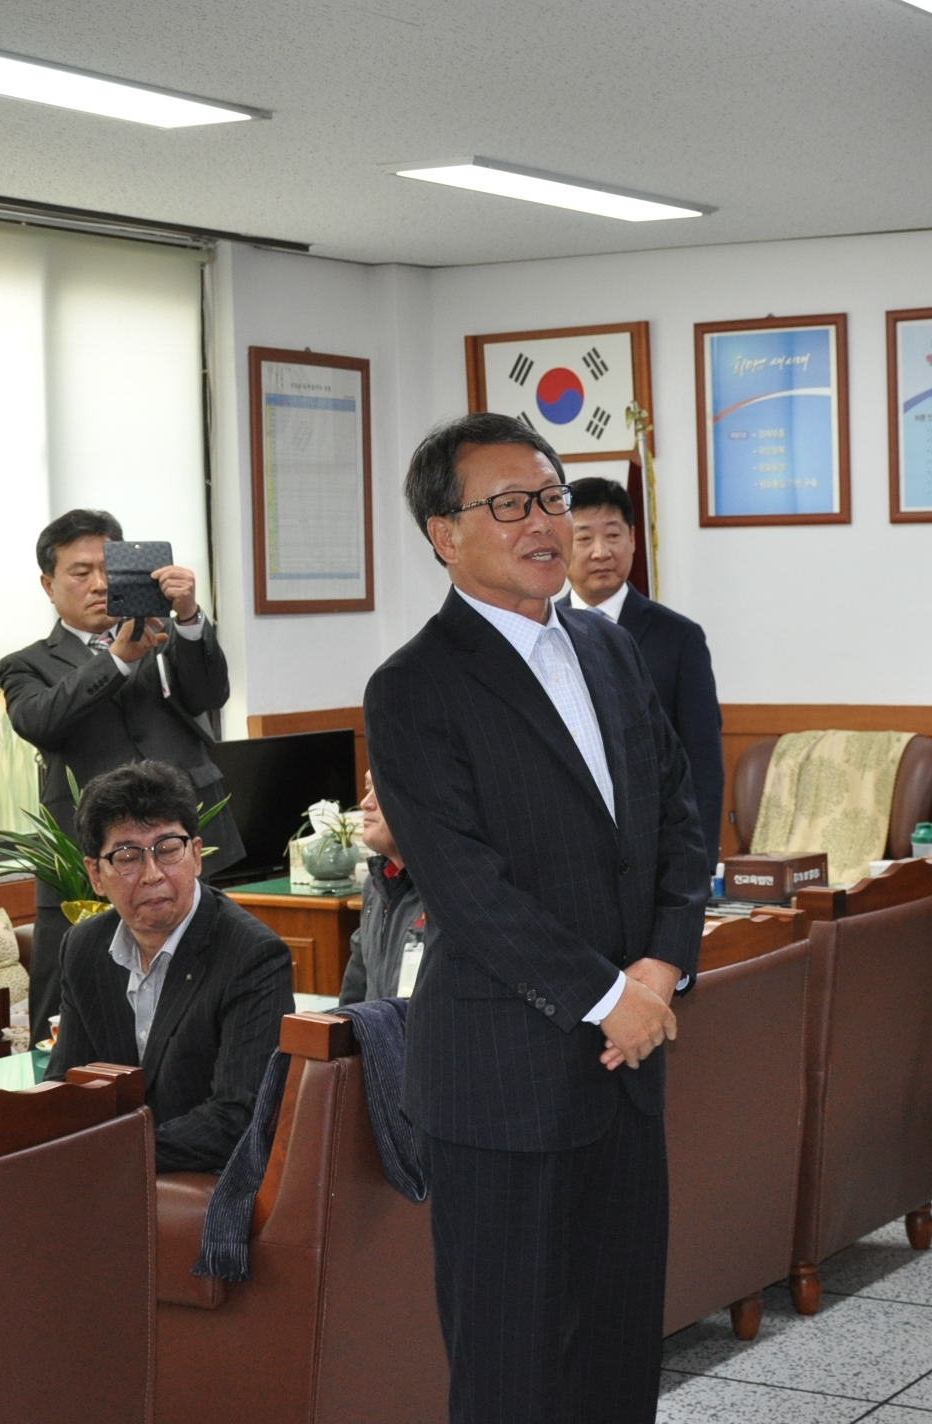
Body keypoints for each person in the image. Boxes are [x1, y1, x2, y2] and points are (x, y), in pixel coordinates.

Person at [366, 412, 707, 1424]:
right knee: (509, 1372)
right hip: (501, 1083)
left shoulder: (610, 647)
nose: (544, 522)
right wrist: (610, 997)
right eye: (509, 503)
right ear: (444, 533)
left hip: (628, 1067)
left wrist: (659, 968)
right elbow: (469, 889)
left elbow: (678, 821)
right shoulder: (413, 687)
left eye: (552, 497)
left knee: (618, 1356)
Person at [0, 509, 245, 1043]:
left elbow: (210, 696)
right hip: (89, 856)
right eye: (80, 572)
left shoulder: (164, 634)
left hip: (185, 844)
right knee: (67, 1007)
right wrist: (117, 659)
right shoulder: (27, 664)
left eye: (109, 570)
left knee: (210, 987)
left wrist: (188, 617)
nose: (99, 584)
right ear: (48, 585)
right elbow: (41, 721)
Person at [43, 761, 292, 1174]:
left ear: (196, 855)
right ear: (96, 875)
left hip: (210, 1180)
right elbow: (67, 1084)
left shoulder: (252, 954)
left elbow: (238, 1116)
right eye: (127, 856)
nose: (152, 875)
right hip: (113, 1172)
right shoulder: (84, 947)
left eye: (168, 849)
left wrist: (113, 1155)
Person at [558, 476, 726, 865]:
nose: (600, 552)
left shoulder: (679, 638)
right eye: (584, 538)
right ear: (561, 543)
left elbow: (702, 762)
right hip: (568, 847)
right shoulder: (541, 633)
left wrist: (699, 863)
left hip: (657, 845)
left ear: (633, 539)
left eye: (613, 535)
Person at [338, 772, 430, 1005]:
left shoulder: (447, 893)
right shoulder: (375, 885)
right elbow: (354, 997)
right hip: (376, 1028)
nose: (365, 803)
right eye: (367, 789)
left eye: (379, 790)